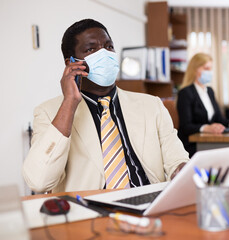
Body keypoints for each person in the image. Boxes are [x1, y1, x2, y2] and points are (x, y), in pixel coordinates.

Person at [23, 19, 189, 193]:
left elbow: (176, 160)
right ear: (71, 63)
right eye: (91, 49)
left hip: (149, 203)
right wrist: (69, 103)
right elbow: (39, 182)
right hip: (90, 212)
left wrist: (181, 170)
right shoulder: (48, 112)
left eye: (109, 47)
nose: (104, 54)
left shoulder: (152, 105)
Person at [177, 53, 229, 157]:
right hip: (192, 145)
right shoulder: (185, 93)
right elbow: (185, 126)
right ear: (195, 70)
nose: (209, 72)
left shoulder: (209, 91)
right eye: (206, 68)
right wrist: (206, 128)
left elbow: (219, 118)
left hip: (209, 141)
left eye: (210, 68)